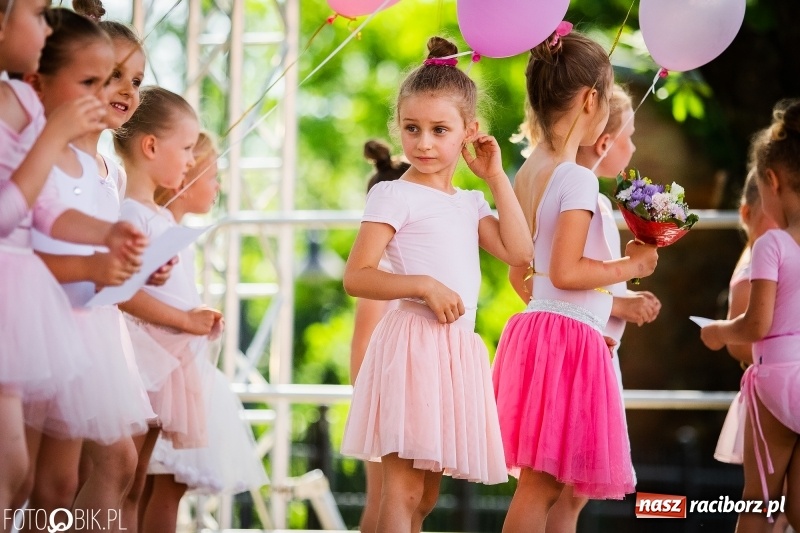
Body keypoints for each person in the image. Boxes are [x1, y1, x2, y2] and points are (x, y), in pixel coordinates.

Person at [340, 36, 532, 533]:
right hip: (411, 350)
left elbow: (520, 252)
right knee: (400, 491)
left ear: (469, 131)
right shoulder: (392, 195)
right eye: (412, 128)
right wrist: (423, 284)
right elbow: (356, 276)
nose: (423, 143)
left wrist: (496, 179)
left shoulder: (469, 203)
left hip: (453, 353)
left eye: (439, 130)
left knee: (425, 496)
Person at [491, 27, 659, 533]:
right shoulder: (578, 178)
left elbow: (522, 272)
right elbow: (565, 271)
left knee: (548, 485)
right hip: (566, 340)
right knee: (542, 487)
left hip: (536, 332)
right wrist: (631, 268)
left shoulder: (528, 172)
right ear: (590, 100)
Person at [0, 2, 144, 523]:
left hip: (70, 318)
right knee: (25, 478)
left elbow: (48, 214)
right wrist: (90, 265)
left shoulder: (98, 163)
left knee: (46, 478)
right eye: (101, 79)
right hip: (37, 311)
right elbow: (22, 222)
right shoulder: (35, 131)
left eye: (132, 80)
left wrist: (114, 240)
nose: (118, 92)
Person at [138, 132, 268, 533]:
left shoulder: (176, 235)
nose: (220, 186)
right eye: (214, 176)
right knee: (160, 486)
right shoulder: (153, 228)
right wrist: (187, 320)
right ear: (184, 180)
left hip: (178, 370)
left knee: (155, 485)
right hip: (159, 371)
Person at [115, 85, 221, 532]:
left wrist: (193, 318)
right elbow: (122, 293)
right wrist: (184, 320)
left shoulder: (160, 219)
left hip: (168, 362)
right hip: (140, 358)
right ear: (152, 146)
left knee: (138, 478)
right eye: (184, 149)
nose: (189, 160)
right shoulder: (128, 216)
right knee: (120, 475)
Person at [700, 99, 800, 532]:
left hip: (777, 381)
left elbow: (755, 325)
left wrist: (719, 332)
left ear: (772, 182)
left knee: (759, 500)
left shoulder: (770, 246)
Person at [350, 139, 409, 533]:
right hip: (384, 401)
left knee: (403, 495)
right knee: (381, 497)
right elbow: (361, 345)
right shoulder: (381, 271)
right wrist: (368, 402)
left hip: (405, 398)